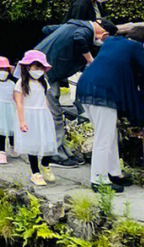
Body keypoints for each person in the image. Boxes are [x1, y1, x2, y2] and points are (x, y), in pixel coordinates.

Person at [74, 32, 144, 194]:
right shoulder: (135, 47)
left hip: (85, 87)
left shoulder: (112, 42)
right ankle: (99, 179)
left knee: (109, 134)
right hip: (103, 93)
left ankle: (114, 172)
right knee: (104, 138)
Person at [34, 17, 110, 164]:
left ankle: (61, 151)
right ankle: (54, 155)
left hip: (45, 70)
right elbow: (79, 38)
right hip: (46, 73)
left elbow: (47, 29)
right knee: (54, 115)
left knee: (54, 113)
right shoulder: (86, 31)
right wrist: (90, 60)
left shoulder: (73, 25)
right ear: (105, 34)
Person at [14, 50, 58, 187]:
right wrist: (22, 121)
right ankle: (35, 172)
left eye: (41, 68)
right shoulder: (21, 83)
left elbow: (45, 99)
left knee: (49, 141)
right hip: (29, 115)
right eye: (35, 67)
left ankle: (46, 164)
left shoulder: (43, 82)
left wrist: (49, 114)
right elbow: (19, 102)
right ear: (27, 67)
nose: (38, 70)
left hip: (43, 114)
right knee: (32, 145)